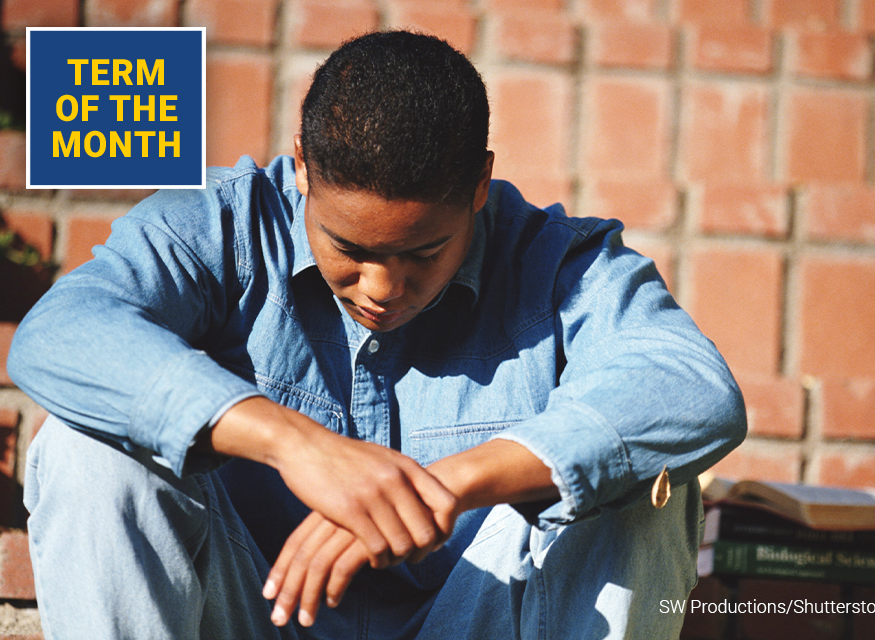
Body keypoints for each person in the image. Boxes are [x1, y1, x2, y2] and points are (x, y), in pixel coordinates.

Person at [9, 30, 746, 639]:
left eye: (424, 252)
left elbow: (694, 390)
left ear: (481, 184)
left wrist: (442, 488)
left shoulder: (560, 263)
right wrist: (296, 447)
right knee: (87, 444)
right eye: (351, 251)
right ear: (301, 167)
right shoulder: (222, 226)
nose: (384, 288)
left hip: (473, 621)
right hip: (248, 617)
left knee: (637, 490)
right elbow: (63, 333)